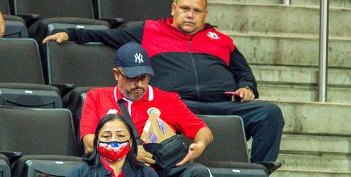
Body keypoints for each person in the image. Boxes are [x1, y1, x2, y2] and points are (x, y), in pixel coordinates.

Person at [43, 0, 284, 164]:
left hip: (223, 101)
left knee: (269, 113)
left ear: (205, 15)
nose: (190, 14)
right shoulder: (151, 30)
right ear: (173, 8)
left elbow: (244, 72)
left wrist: (247, 87)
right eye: (185, 8)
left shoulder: (220, 39)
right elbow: (107, 35)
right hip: (178, 104)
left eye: (197, 11)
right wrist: (71, 34)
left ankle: (260, 170)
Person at [80, 42, 214, 177]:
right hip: (118, 169)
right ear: (116, 74)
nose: (139, 84)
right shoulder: (97, 97)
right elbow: (89, 143)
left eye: (144, 77)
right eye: (132, 77)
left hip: (159, 170)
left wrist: (200, 144)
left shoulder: (167, 99)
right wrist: (129, 152)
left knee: (199, 173)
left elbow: (204, 131)